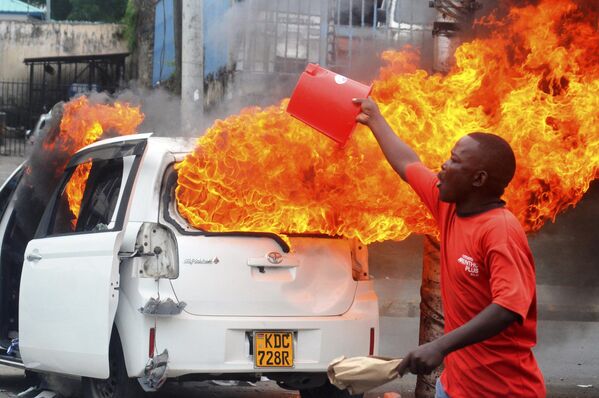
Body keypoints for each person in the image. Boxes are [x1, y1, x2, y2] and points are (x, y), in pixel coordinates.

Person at [353, 97, 546, 397]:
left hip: (503, 391)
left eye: (455, 160)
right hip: (454, 387)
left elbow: (508, 307)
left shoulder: (501, 230)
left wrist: (440, 345)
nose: (444, 165)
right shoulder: (449, 207)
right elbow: (407, 164)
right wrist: (374, 119)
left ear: (478, 179)